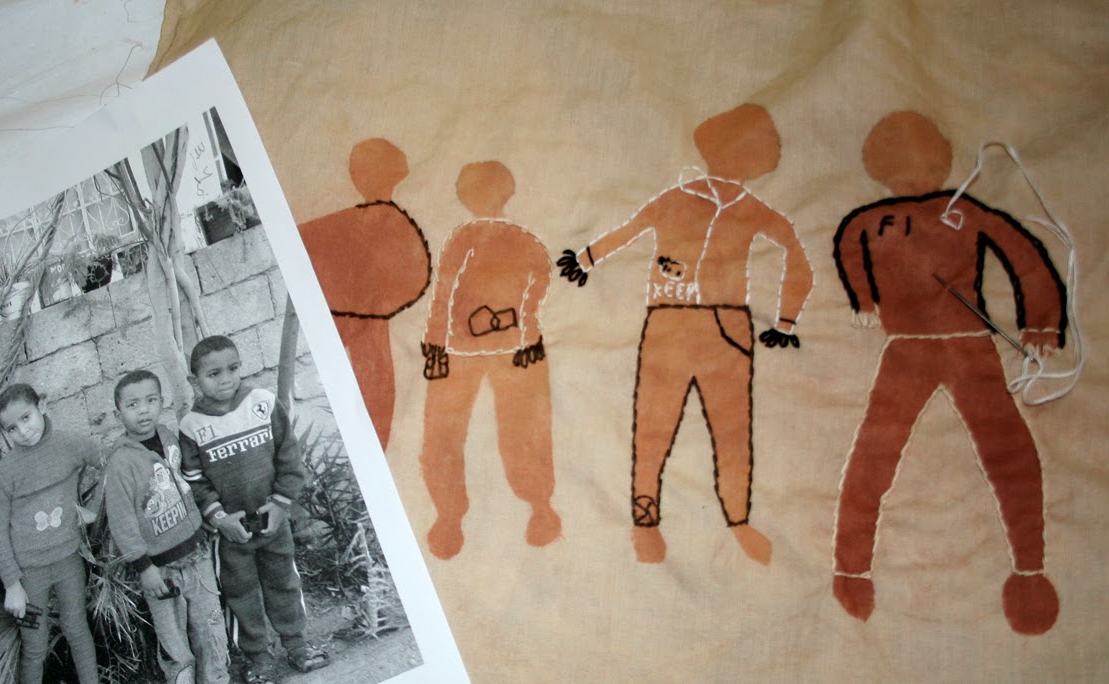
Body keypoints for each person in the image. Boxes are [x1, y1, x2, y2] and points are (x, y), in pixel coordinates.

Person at [831, 111, 1067, 635]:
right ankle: (851, 570)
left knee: (1006, 445)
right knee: (877, 449)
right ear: (881, 171)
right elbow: (849, 243)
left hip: (968, 345)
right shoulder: (874, 220)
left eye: (926, 166)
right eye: (901, 169)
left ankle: (1030, 573)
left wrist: (1041, 323)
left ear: (943, 164)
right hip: (910, 349)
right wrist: (863, 298)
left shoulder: (962, 211)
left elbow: (1022, 253)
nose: (916, 178)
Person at [557, 103, 813, 564]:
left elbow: (795, 254)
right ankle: (646, 520)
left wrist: (787, 320)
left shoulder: (750, 209)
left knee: (731, 429)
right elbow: (632, 230)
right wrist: (586, 260)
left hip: (725, 328)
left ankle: (738, 519)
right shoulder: (679, 198)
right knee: (655, 423)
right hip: (671, 323)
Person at [419, 160, 560, 560]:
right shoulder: (496, 240)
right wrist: (437, 346)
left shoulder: (479, 239)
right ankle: (457, 516)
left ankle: (533, 507)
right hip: (489, 348)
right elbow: (447, 293)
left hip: (491, 349)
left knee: (507, 430)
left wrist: (438, 343)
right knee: (465, 431)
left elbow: (447, 293)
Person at [178, 335, 327, 683]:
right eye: (214, 374)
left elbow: (288, 457)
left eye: (233, 369)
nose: (226, 379)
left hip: (273, 521)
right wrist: (219, 518)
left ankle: (297, 644)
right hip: (232, 532)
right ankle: (258, 657)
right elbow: (194, 481)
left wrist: (280, 504)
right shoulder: (191, 426)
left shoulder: (263, 403)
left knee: (284, 582)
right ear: (194, 381)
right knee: (240, 594)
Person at [298, 138, 432, 450]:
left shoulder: (395, 218)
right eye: (362, 173)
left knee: (377, 387)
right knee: (369, 384)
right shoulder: (345, 218)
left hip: (372, 318)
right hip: (352, 316)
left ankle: (375, 448)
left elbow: (409, 274)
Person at [103, 369, 229, 684]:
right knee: (173, 639)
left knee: (210, 625)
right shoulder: (121, 462)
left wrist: (200, 522)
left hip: (196, 554)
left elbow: (184, 484)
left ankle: (216, 678)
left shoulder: (169, 437)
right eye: (132, 405)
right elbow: (122, 521)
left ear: (162, 402)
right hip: (160, 569)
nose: (143, 410)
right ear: (119, 415)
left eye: (151, 400)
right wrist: (144, 567)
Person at [0, 383, 102, 684]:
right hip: (29, 575)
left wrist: (94, 509)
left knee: (77, 629)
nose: (23, 431)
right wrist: (12, 584)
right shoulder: (5, 473)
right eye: (12, 428)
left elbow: (109, 463)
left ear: (42, 405)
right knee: (35, 644)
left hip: (69, 562)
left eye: (26, 418)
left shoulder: (70, 444)